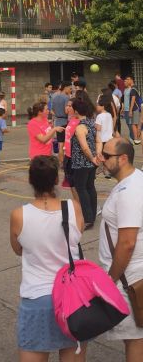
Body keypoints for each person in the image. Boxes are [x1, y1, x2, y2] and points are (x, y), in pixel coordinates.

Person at [9, 156, 84, 362]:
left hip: (37, 297)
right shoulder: (73, 207)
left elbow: (18, 249)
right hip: (71, 297)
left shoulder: (19, 215)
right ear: (56, 180)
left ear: (30, 180)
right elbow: (78, 235)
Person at [99, 137, 143, 361]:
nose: (101, 159)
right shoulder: (133, 180)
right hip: (131, 275)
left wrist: (110, 279)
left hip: (129, 279)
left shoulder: (129, 192)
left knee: (135, 340)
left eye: (106, 156)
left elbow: (127, 243)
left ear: (123, 158)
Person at [70, 98, 99, 230]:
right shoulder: (92, 123)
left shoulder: (80, 127)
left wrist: (92, 158)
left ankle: (88, 218)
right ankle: (92, 214)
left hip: (82, 163)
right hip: (91, 162)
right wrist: (96, 156)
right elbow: (98, 141)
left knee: (81, 189)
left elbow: (84, 147)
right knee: (90, 187)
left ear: (76, 111)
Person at [50, 82, 71, 165]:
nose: (70, 90)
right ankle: (65, 163)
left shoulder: (54, 97)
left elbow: (51, 110)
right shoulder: (66, 97)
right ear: (65, 87)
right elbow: (66, 111)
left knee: (60, 145)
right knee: (66, 144)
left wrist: (57, 114)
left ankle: (61, 162)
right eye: (69, 88)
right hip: (65, 122)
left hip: (57, 121)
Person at [123, 76, 141, 145]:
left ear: (131, 80)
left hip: (133, 109)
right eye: (125, 80)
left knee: (132, 124)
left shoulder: (133, 89)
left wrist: (130, 110)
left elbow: (133, 99)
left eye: (128, 79)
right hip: (128, 109)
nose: (126, 81)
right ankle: (135, 138)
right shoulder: (126, 89)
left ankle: (134, 138)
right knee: (131, 124)